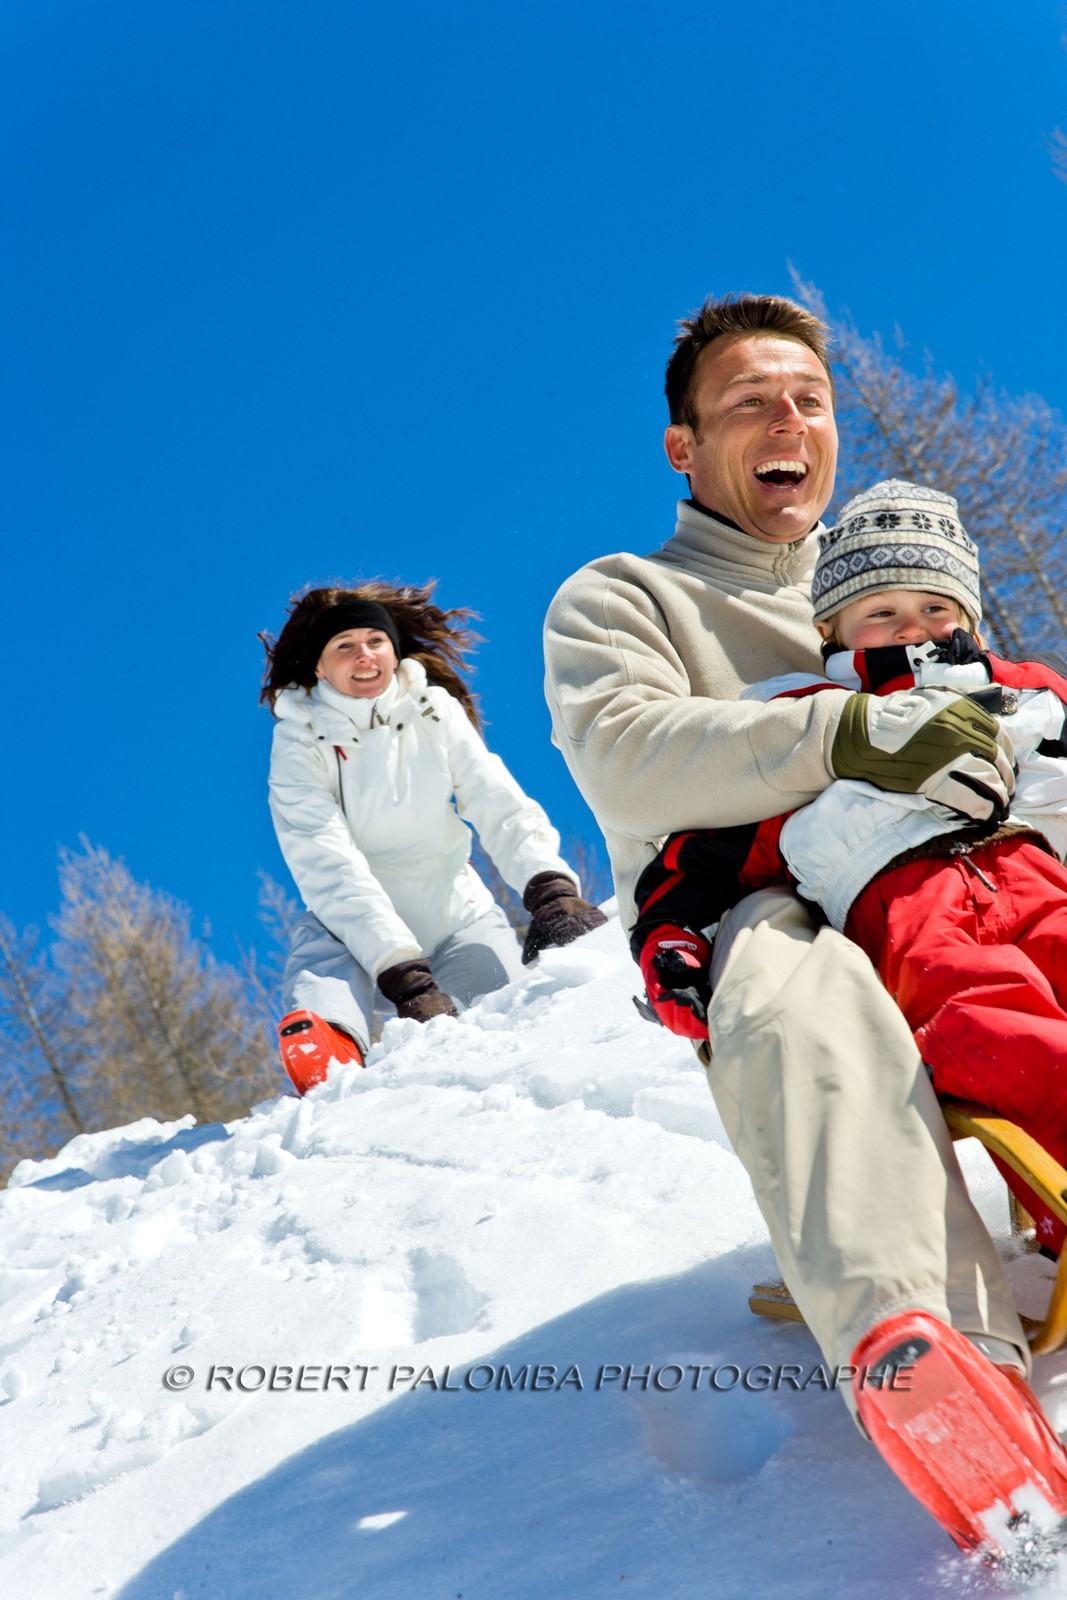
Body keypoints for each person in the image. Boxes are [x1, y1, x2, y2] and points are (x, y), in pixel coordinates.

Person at [542, 296, 1067, 1555]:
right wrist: (844, 732)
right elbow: (625, 752)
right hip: (757, 893)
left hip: (984, 872)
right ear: (684, 446)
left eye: (808, 399)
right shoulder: (627, 596)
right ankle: (940, 1356)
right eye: (747, 401)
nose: (788, 420)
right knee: (791, 971)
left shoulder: (895, 572)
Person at [632, 478, 1067, 1255]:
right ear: (830, 628)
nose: (914, 627)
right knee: (993, 1028)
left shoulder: (1021, 693)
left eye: (936, 607)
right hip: (910, 914)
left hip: (1038, 877)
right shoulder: (798, 720)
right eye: (882, 612)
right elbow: (708, 851)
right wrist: (670, 936)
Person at [261, 580, 605, 1094]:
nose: (365, 656)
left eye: (375, 641)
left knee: (496, 1009)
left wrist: (550, 888)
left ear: (394, 651)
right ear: (318, 666)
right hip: (353, 924)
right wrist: (401, 971)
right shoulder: (299, 738)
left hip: (455, 913)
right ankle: (332, 1045)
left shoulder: (433, 711)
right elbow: (324, 856)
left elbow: (496, 800)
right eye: (344, 646)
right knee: (322, 958)